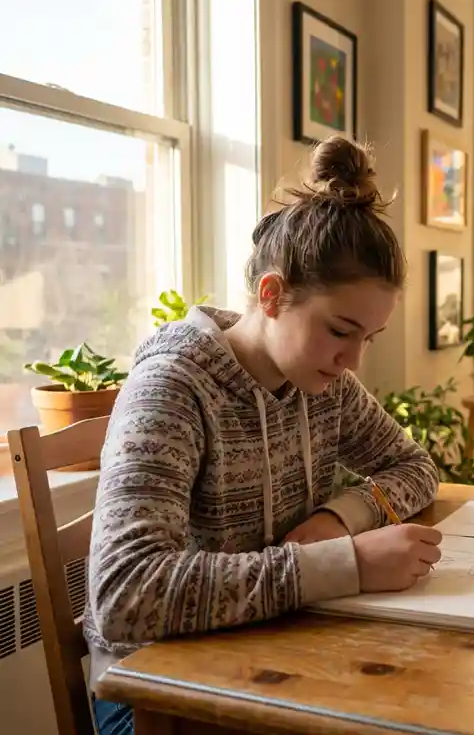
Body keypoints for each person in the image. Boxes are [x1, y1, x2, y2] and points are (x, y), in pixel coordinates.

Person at [87, 136, 442, 734]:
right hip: (156, 694)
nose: (353, 360)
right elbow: (125, 595)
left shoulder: (319, 380)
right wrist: (344, 563)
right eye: (339, 330)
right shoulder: (173, 388)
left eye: (368, 339)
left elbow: (413, 466)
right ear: (272, 295)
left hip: (274, 655)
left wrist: (338, 519)